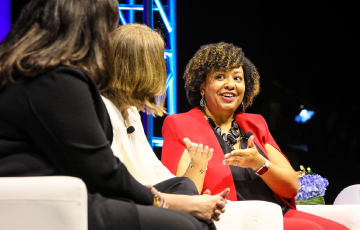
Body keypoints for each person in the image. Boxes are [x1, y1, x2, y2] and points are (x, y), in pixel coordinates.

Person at [0, 0, 205, 229]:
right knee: (185, 224)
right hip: (55, 202)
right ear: (89, 29)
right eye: (108, 26)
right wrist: (163, 201)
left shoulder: (27, 72)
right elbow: (103, 172)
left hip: (55, 197)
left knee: (185, 199)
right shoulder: (57, 79)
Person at [161, 42, 349, 230]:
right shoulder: (180, 124)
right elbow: (181, 197)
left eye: (237, 78)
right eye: (220, 77)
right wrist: (198, 164)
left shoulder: (255, 123)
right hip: (234, 219)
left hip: (276, 215)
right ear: (202, 87)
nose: (230, 84)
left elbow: (292, 185)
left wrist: (260, 164)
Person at [101, 23, 229, 228]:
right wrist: (189, 202)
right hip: (124, 206)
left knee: (185, 186)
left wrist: (194, 196)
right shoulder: (103, 109)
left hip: (143, 201)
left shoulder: (131, 113)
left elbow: (158, 172)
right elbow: (116, 184)